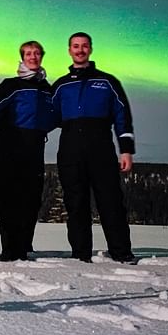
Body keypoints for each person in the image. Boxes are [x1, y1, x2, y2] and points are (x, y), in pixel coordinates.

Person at [51, 32, 137, 264]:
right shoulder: (60, 85)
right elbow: (47, 116)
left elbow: (122, 115)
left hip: (101, 149)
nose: (80, 50)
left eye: (84, 46)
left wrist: (126, 149)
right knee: (75, 203)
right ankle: (80, 254)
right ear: (69, 50)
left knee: (110, 201)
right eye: (75, 46)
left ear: (90, 49)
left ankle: (121, 252)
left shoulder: (108, 82)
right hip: (70, 150)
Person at [0, 40, 54, 261]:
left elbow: (56, 115)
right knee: (8, 197)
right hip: (9, 146)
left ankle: (24, 245)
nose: (33, 57)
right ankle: (10, 249)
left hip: (35, 147)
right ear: (22, 57)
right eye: (28, 54)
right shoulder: (11, 85)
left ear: (41, 56)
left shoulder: (47, 89)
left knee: (31, 198)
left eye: (37, 53)